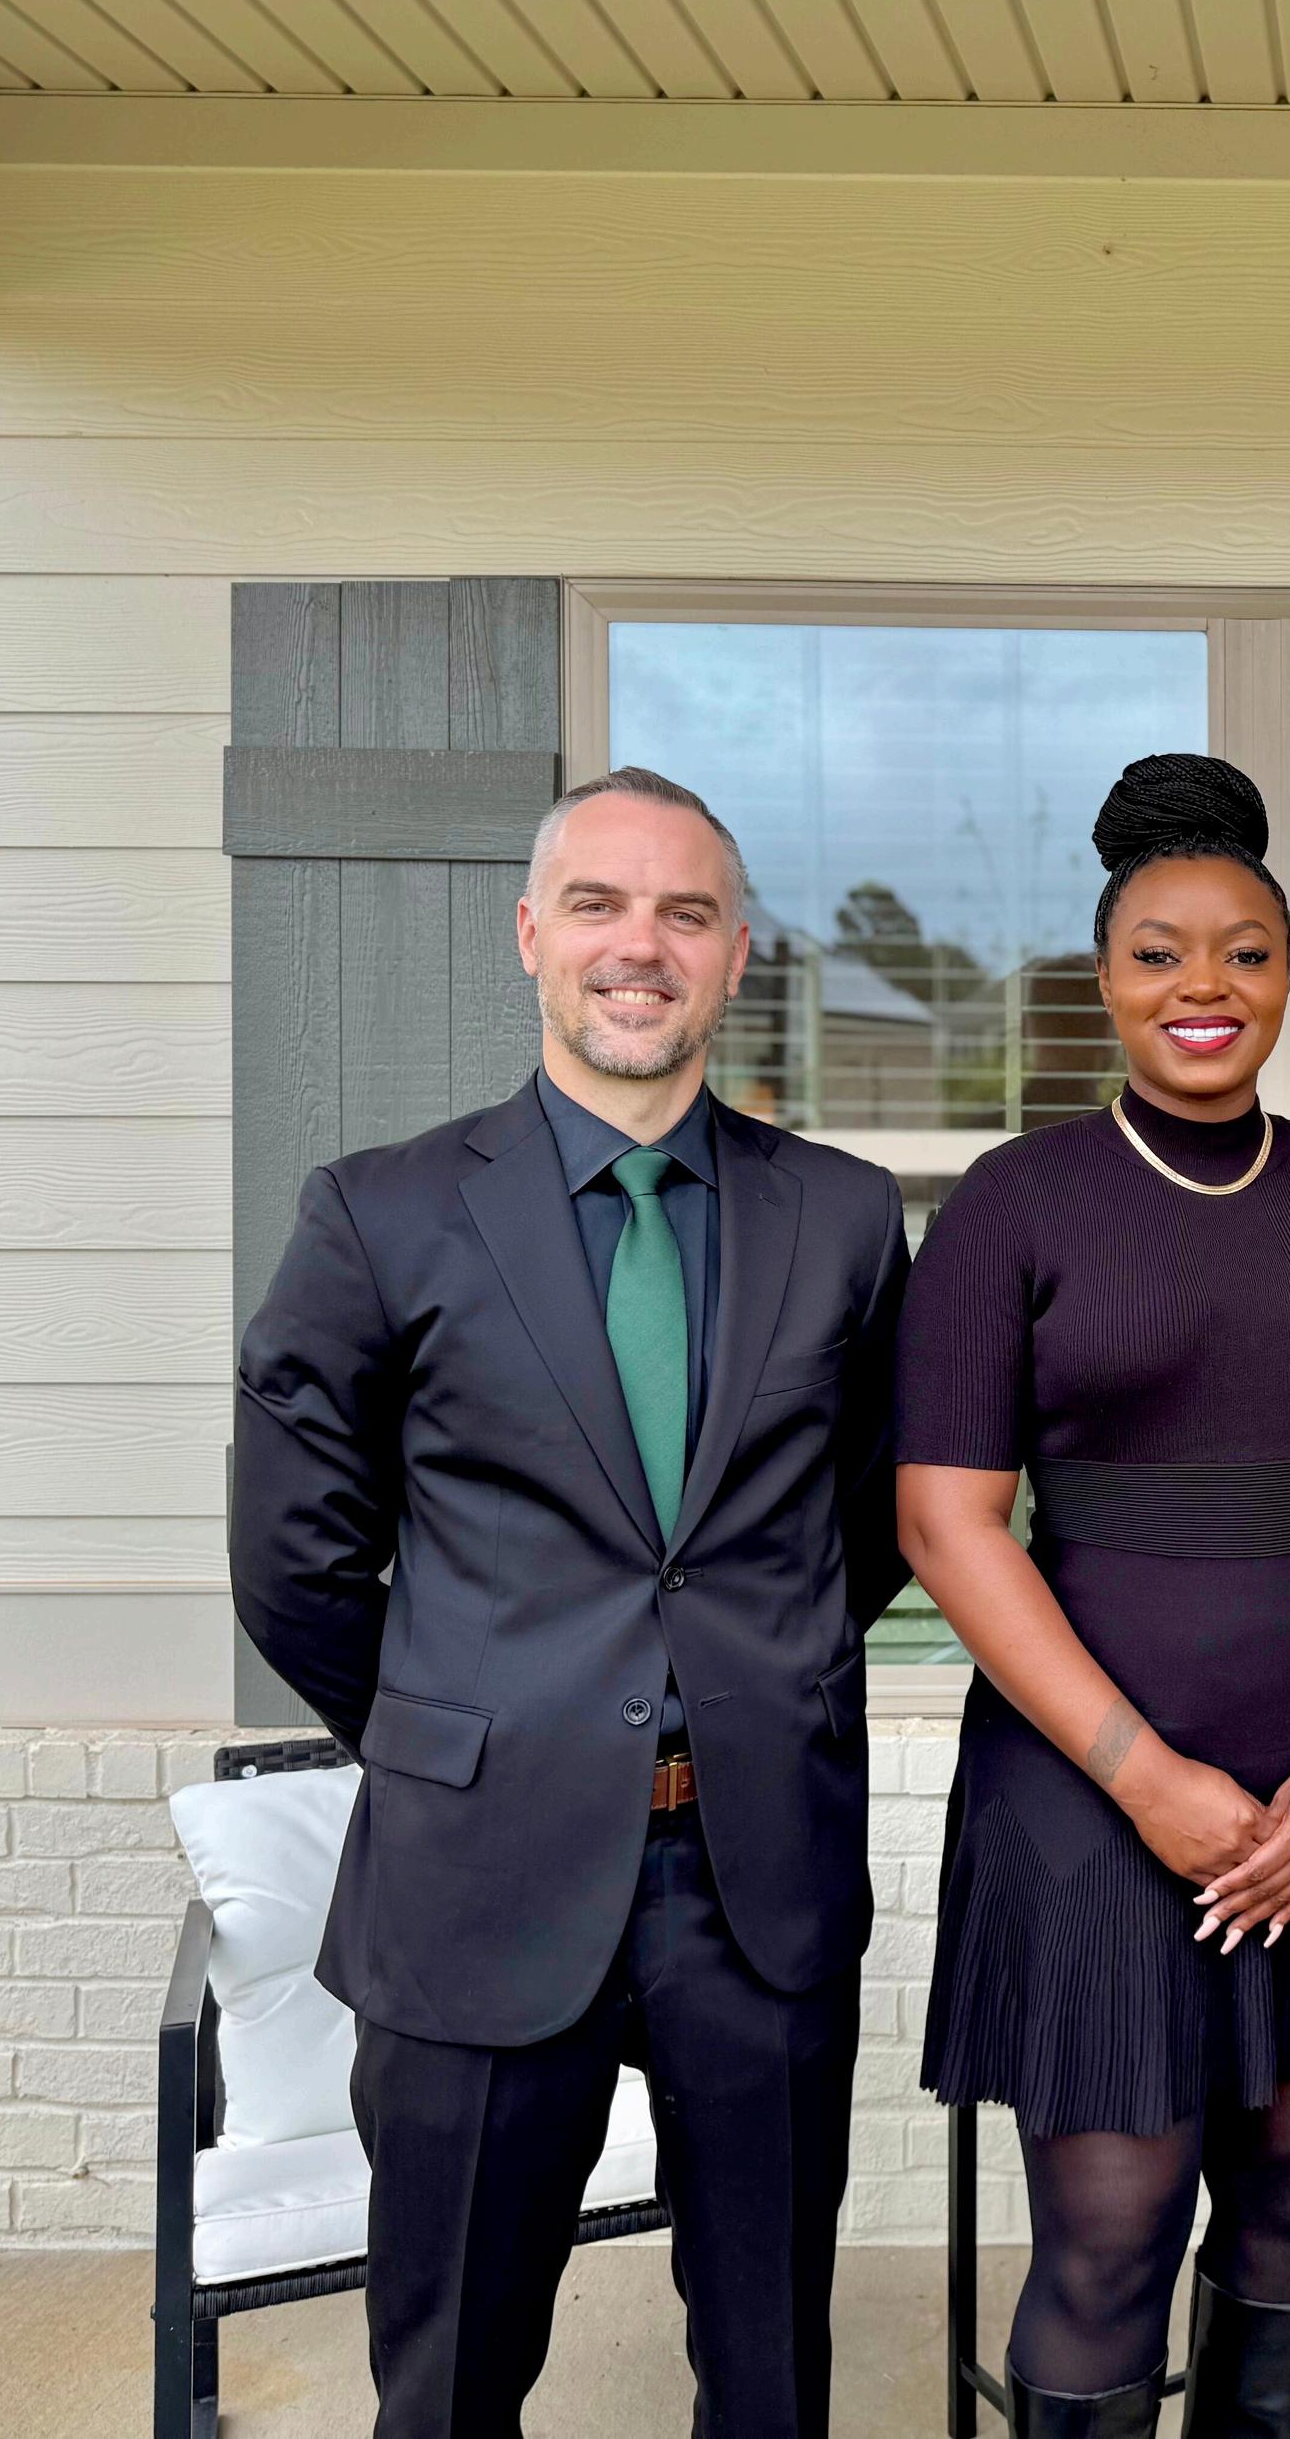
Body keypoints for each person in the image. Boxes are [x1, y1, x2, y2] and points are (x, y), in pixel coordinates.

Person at [232, 766, 910, 2439]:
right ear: (531, 934)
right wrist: (456, 1732)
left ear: (736, 955)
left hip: (755, 1870)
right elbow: (296, 1556)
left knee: (770, 2370)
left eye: (686, 913)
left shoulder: (840, 1215)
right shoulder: (380, 1209)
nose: (640, 946)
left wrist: (768, 1676)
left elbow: (873, 1517)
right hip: (479, 1865)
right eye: (600, 905)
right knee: (451, 2372)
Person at [896, 754, 1290, 2439]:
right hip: (1088, 1786)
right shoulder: (1015, 1205)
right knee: (1112, 2226)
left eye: (1245, 952)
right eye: (1158, 953)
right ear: (1102, 979)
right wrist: (1144, 1775)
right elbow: (946, 1524)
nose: (1203, 986)